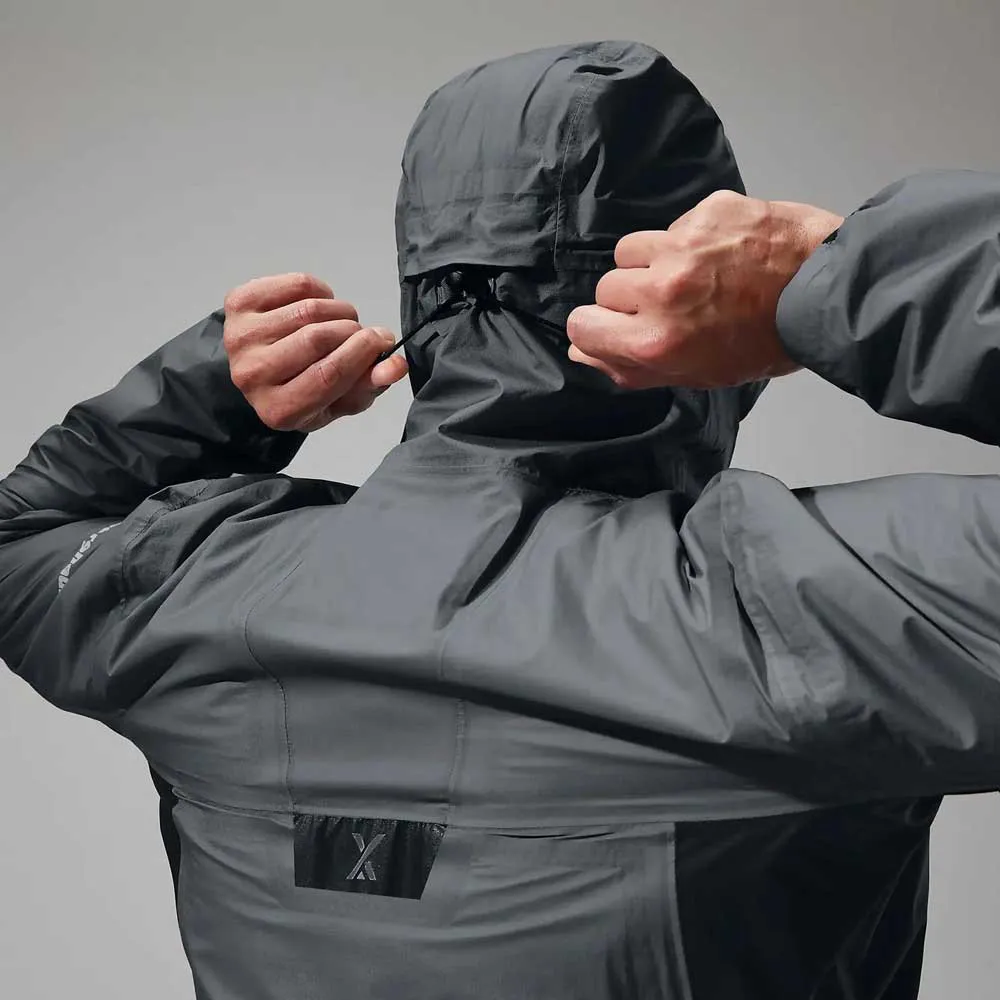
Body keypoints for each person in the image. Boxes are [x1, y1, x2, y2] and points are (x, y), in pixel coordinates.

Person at [2, 38, 999, 999]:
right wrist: (831, 280)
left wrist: (206, 398)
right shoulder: (781, 613)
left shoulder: (197, 591)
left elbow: (21, 536)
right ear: (694, 298)